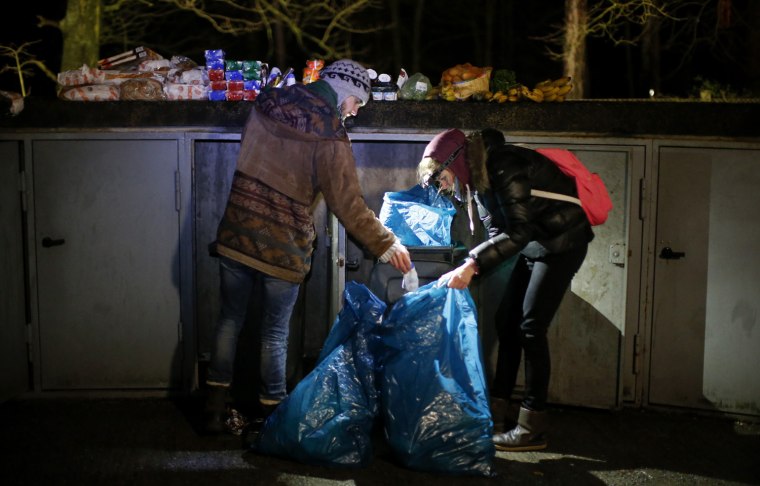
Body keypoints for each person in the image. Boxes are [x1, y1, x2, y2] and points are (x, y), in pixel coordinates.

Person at [204, 59, 412, 434]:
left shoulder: (267, 101)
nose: (356, 111)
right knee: (274, 333)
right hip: (282, 244)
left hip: (236, 231)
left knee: (229, 320)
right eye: (357, 103)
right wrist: (386, 243)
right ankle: (271, 418)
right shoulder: (331, 134)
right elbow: (347, 203)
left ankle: (215, 409)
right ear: (346, 94)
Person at [417, 128, 593, 451]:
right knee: (506, 320)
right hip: (537, 244)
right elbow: (500, 232)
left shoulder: (502, 164)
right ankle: (498, 407)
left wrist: (471, 264)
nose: (440, 186)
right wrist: (471, 265)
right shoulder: (477, 183)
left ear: (455, 161)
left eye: (439, 176)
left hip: (562, 241)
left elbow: (520, 231)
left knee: (530, 327)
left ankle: (532, 425)